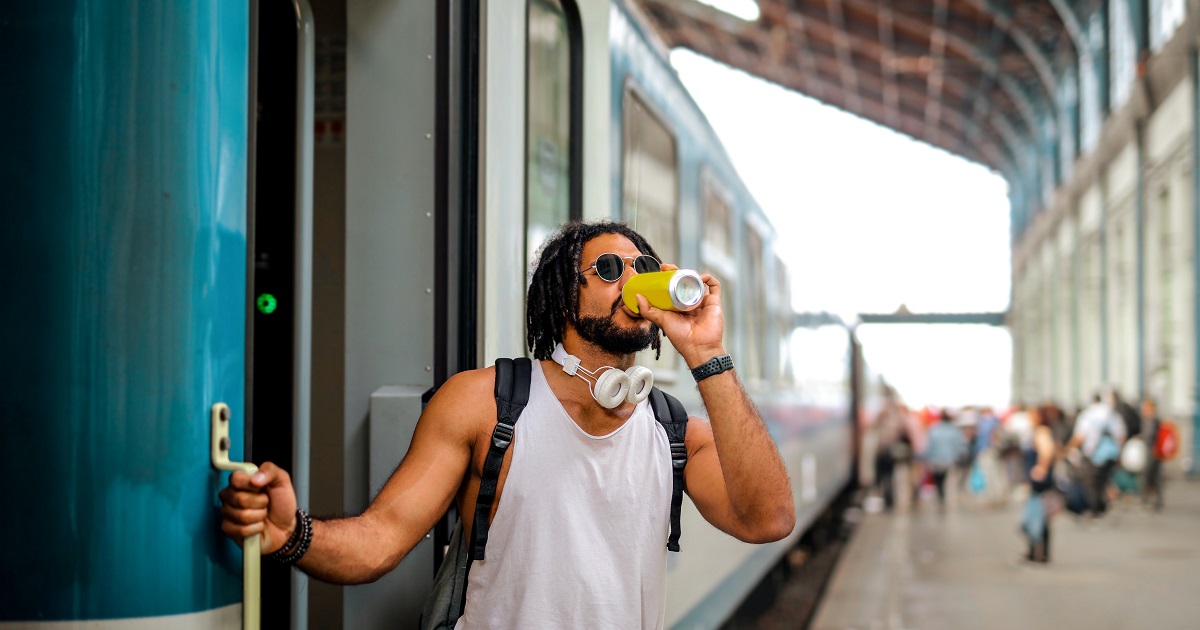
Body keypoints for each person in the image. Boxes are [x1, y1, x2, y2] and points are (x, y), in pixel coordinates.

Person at [218, 221, 795, 628]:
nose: (634, 281)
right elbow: (381, 541)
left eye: (644, 268)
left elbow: (768, 519)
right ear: (564, 295)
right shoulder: (485, 403)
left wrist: (707, 355)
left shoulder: (671, 428)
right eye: (611, 268)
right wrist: (291, 535)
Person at [1067, 391, 1126, 517]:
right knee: (1104, 480)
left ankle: (1095, 508)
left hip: (1093, 452)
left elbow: (1080, 436)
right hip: (1111, 453)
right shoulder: (1111, 413)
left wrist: (1069, 448)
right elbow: (1121, 435)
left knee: (1091, 481)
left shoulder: (1088, 414)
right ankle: (1102, 505)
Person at [1021, 408, 1057, 562]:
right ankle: (1037, 551)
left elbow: (1047, 451)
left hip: (1040, 481)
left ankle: (1038, 552)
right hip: (1037, 480)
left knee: (1039, 514)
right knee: (1038, 514)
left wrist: (1041, 468)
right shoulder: (1037, 431)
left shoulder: (1041, 431)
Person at [921, 409, 968, 509]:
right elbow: (959, 445)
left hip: (935, 459)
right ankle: (942, 495)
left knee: (938, 479)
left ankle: (940, 495)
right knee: (944, 479)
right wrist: (962, 454)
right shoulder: (954, 430)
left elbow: (929, 445)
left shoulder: (934, 429)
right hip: (948, 460)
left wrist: (925, 456)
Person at [1141, 397, 1165, 511]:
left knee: (1151, 475)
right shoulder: (1146, 419)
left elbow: (1152, 436)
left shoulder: (1154, 420)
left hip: (1154, 451)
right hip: (1149, 450)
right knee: (1151, 475)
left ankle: (1152, 500)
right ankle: (1150, 499)